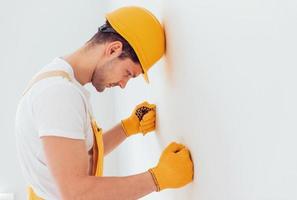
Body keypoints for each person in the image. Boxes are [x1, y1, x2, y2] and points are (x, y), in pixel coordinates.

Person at [15, 6, 194, 199]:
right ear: (114, 49)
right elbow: (78, 193)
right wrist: (157, 178)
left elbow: (80, 154)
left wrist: (127, 128)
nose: (123, 84)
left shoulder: (60, 81)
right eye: (128, 73)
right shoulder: (59, 94)